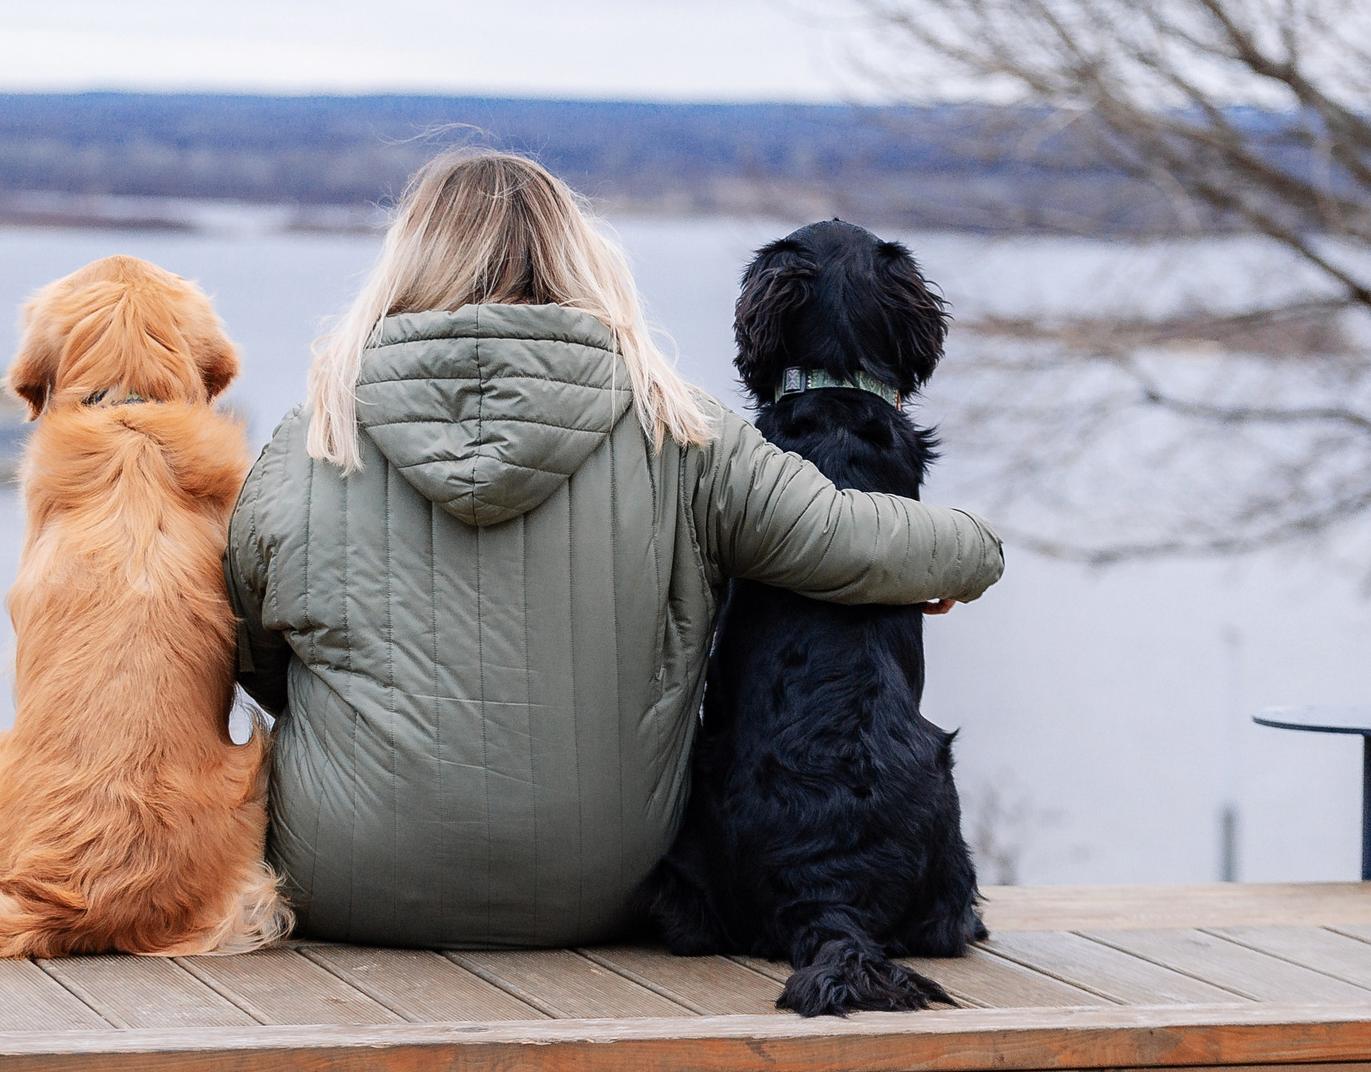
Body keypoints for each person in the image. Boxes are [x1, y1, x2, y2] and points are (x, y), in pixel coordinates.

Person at [226, 151, 1003, 948]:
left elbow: (248, 650)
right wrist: (969, 554)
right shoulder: (677, 428)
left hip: (343, 881)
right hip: (601, 887)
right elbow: (849, 537)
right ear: (583, 258)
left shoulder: (310, 437)